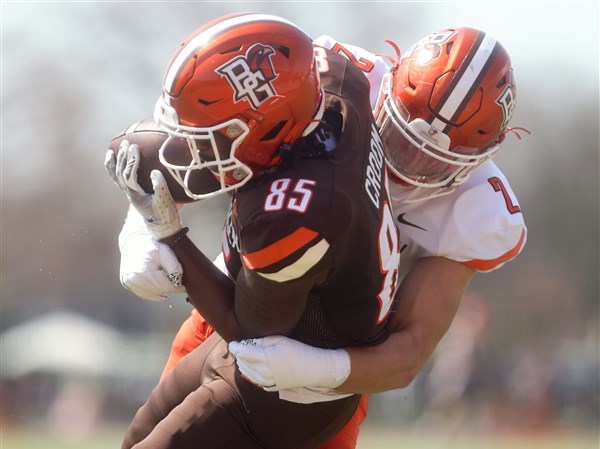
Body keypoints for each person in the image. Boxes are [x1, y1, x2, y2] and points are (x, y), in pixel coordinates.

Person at [115, 27, 527, 449]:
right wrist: (142, 224)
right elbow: (195, 119)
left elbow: (410, 351)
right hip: (228, 297)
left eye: (434, 163)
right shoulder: (333, 75)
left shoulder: (479, 209)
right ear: (387, 90)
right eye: (400, 139)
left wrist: (319, 370)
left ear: (480, 160)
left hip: (325, 370)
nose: (407, 165)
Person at [106, 12, 400, 449]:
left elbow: (249, 329)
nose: (195, 149)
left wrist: (169, 235)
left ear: (267, 128)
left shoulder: (295, 212)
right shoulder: (332, 80)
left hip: (285, 391)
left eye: (210, 136)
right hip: (257, 345)